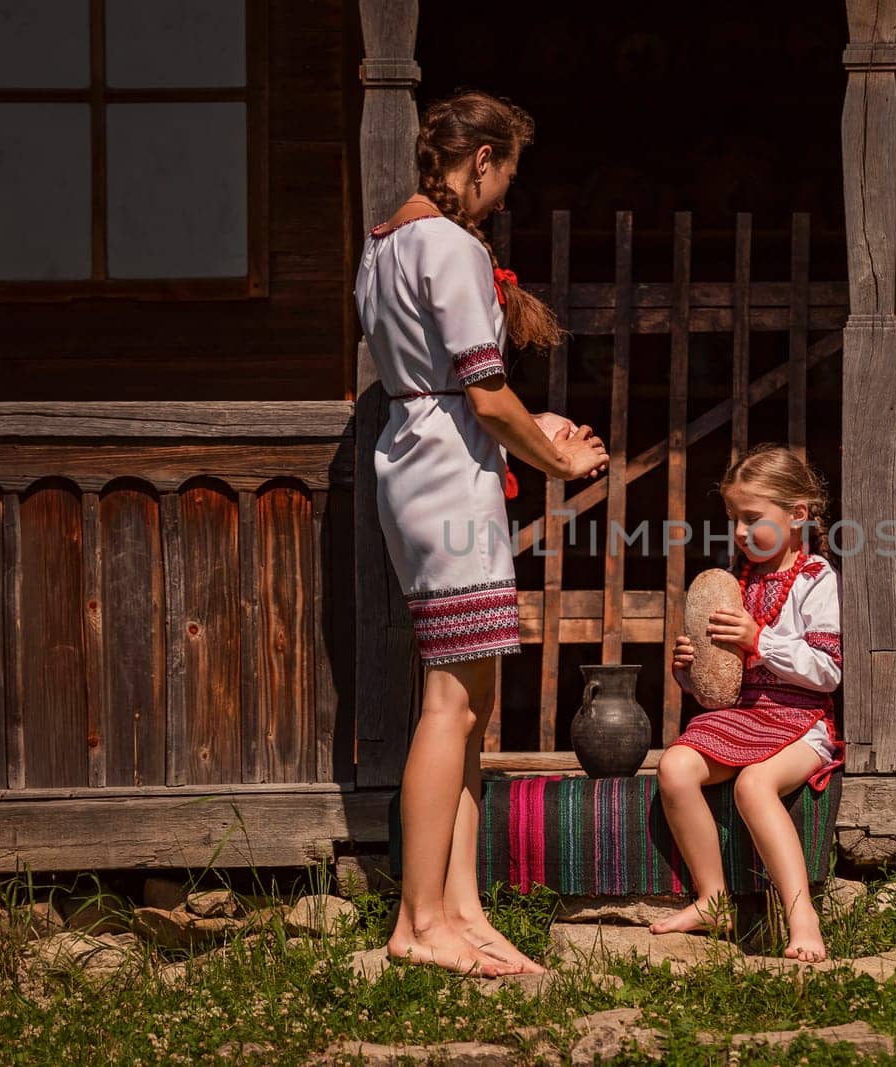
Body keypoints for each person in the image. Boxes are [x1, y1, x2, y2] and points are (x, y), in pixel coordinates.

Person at [353, 88, 609, 977]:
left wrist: (527, 432)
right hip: (447, 481)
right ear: (484, 160)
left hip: (421, 454)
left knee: (474, 704)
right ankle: (418, 919)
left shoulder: (382, 245)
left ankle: (460, 907)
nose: (505, 197)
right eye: (507, 176)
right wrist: (560, 459)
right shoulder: (450, 245)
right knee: (450, 703)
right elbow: (486, 392)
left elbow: (446, 387)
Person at [653, 443, 845, 962]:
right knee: (675, 767)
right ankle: (712, 899)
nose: (739, 531)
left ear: (798, 515)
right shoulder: (737, 581)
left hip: (804, 722)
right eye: (734, 518)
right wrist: (689, 672)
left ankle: (801, 915)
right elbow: (722, 687)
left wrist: (760, 641)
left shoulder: (815, 580)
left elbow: (827, 673)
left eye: (752, 518)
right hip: (746, 716)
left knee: (754, 785)